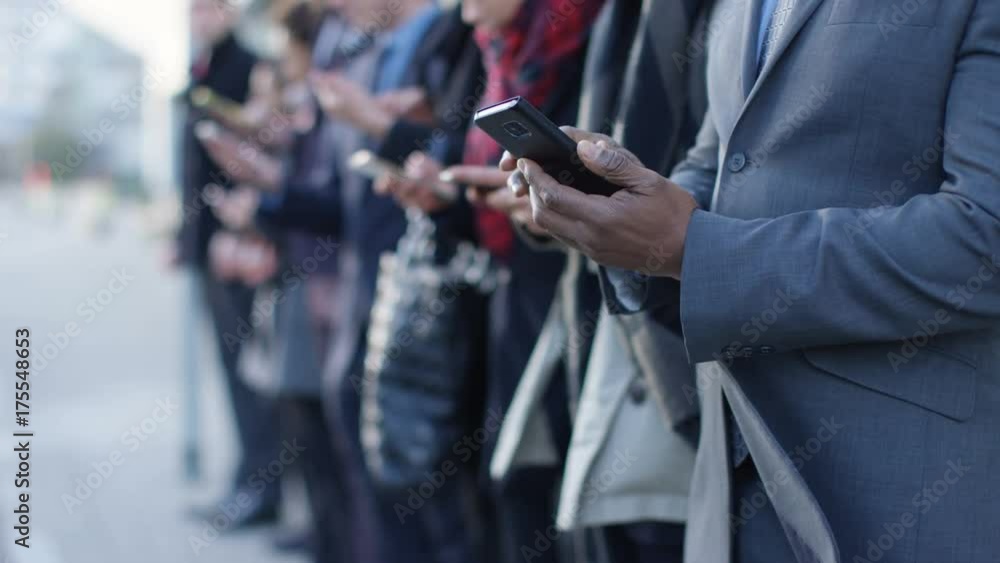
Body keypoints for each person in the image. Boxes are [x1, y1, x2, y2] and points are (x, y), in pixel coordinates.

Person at [509, 1, 1000, 562]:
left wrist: (697, 249)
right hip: (730, 472)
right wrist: (613, 200)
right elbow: (720, 165)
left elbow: (986, 234)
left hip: (901, 481)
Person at [377, 1, 603, 562]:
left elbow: (612, 180)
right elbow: (476, 166)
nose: (462, 8)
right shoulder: (497, 50)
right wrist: (446, 196)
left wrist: (550, 206)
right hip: (506, 289)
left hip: (579, 298)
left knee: (550, 492)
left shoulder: (580, 33)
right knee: (505, 485)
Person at [489, 1, 714, 562]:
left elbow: (715, 170)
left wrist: (626, 214)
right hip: (597, 315)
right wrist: (571, 203)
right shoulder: (616, 16)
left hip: (683, 333)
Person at [175, 0, 282, 528]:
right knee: (232, 372)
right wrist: (183, 237)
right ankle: (247, 480)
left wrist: (242, 228)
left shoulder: (249, 67)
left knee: (250, 374)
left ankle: (262, 488)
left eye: (212, 7)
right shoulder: (201, 68)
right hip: (208, 245)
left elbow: (263, 156)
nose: (202, 17)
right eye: (195, 8)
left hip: (240, 248)